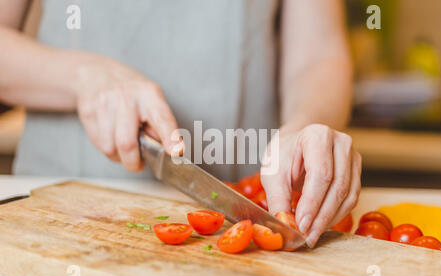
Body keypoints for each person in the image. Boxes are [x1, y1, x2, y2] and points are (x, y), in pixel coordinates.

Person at [0, 0, 361, 248]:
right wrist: (83, 78)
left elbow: (318, 52)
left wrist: (306, 125)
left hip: (243, 198)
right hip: (61, 206)